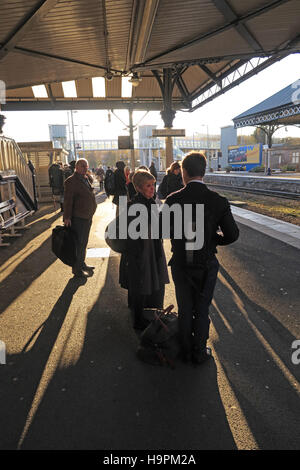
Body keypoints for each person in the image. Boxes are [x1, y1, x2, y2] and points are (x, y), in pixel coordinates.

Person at [163, 151, 239, 364]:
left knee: (185, 308)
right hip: (206, 263)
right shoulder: (218, 201)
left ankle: (185, 350)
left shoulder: (173, 200)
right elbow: (233, 234)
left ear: (184, 173)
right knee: (202, 308)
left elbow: (162, 229)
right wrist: (213, 240)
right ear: (203, 172)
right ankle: (199, 351)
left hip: (180, 263)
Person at [119, 170, 169, 329]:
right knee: (141, 284)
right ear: (139, 188)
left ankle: (147, 315)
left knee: (147, 283)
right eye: (148, 186)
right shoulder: (135, 206)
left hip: (150, 249)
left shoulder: (149, 202)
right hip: (141, 252)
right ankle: (139, 321)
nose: (152, 188)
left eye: (153, 185)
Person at [63, 158, 97, 278]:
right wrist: (67, 217)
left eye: (86, 166)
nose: (85, 168)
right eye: (82, 166)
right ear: (76, 167)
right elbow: (68, 201)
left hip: (87, 216)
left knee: (84, 243)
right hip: (79, 217)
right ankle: (77, 269)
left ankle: (81, 263)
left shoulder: (85, 178)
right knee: (78, 244)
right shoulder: (71, 181)